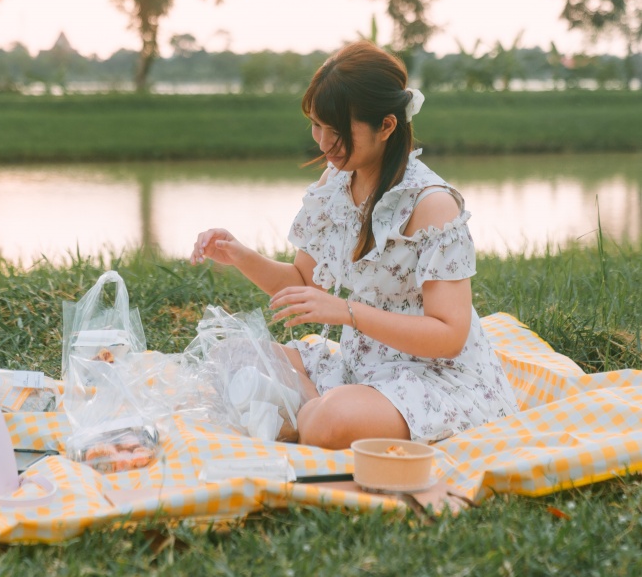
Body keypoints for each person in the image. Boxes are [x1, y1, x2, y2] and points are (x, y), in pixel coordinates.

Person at [191, 41, 519, 449]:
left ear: (386, 126)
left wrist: (348, 312)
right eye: (316, 124)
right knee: (229, 358)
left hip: (435, 378)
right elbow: (303, 281)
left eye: (338, 131)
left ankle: (308, 415)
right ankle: (311, 411)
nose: (324, 142)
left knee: (332, 421)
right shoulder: (335, 182)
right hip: (360, 366)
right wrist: (238, 254)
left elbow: (449, 334)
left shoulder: (431, 205)